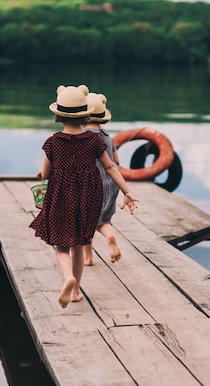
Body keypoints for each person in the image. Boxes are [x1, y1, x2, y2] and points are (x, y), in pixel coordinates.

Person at [29, 84, 139, 309]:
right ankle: (77, 289)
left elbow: (47, 173)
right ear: (86, 115)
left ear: (58, 115)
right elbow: (111, 168)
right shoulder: (95, 141)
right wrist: (127, 191)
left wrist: (43, 172)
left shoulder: (53, 142)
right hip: (89, 198)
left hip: (61, 197)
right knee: (79, 244)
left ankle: (67, 277)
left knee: (61, 247)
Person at [83, 92, 123, 266]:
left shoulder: (83, 137)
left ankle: (88, 257)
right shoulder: (108, 137)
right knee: (102, 220)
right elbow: (116, 162)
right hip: (110, 184)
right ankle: (109, 235)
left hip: (90, 185)